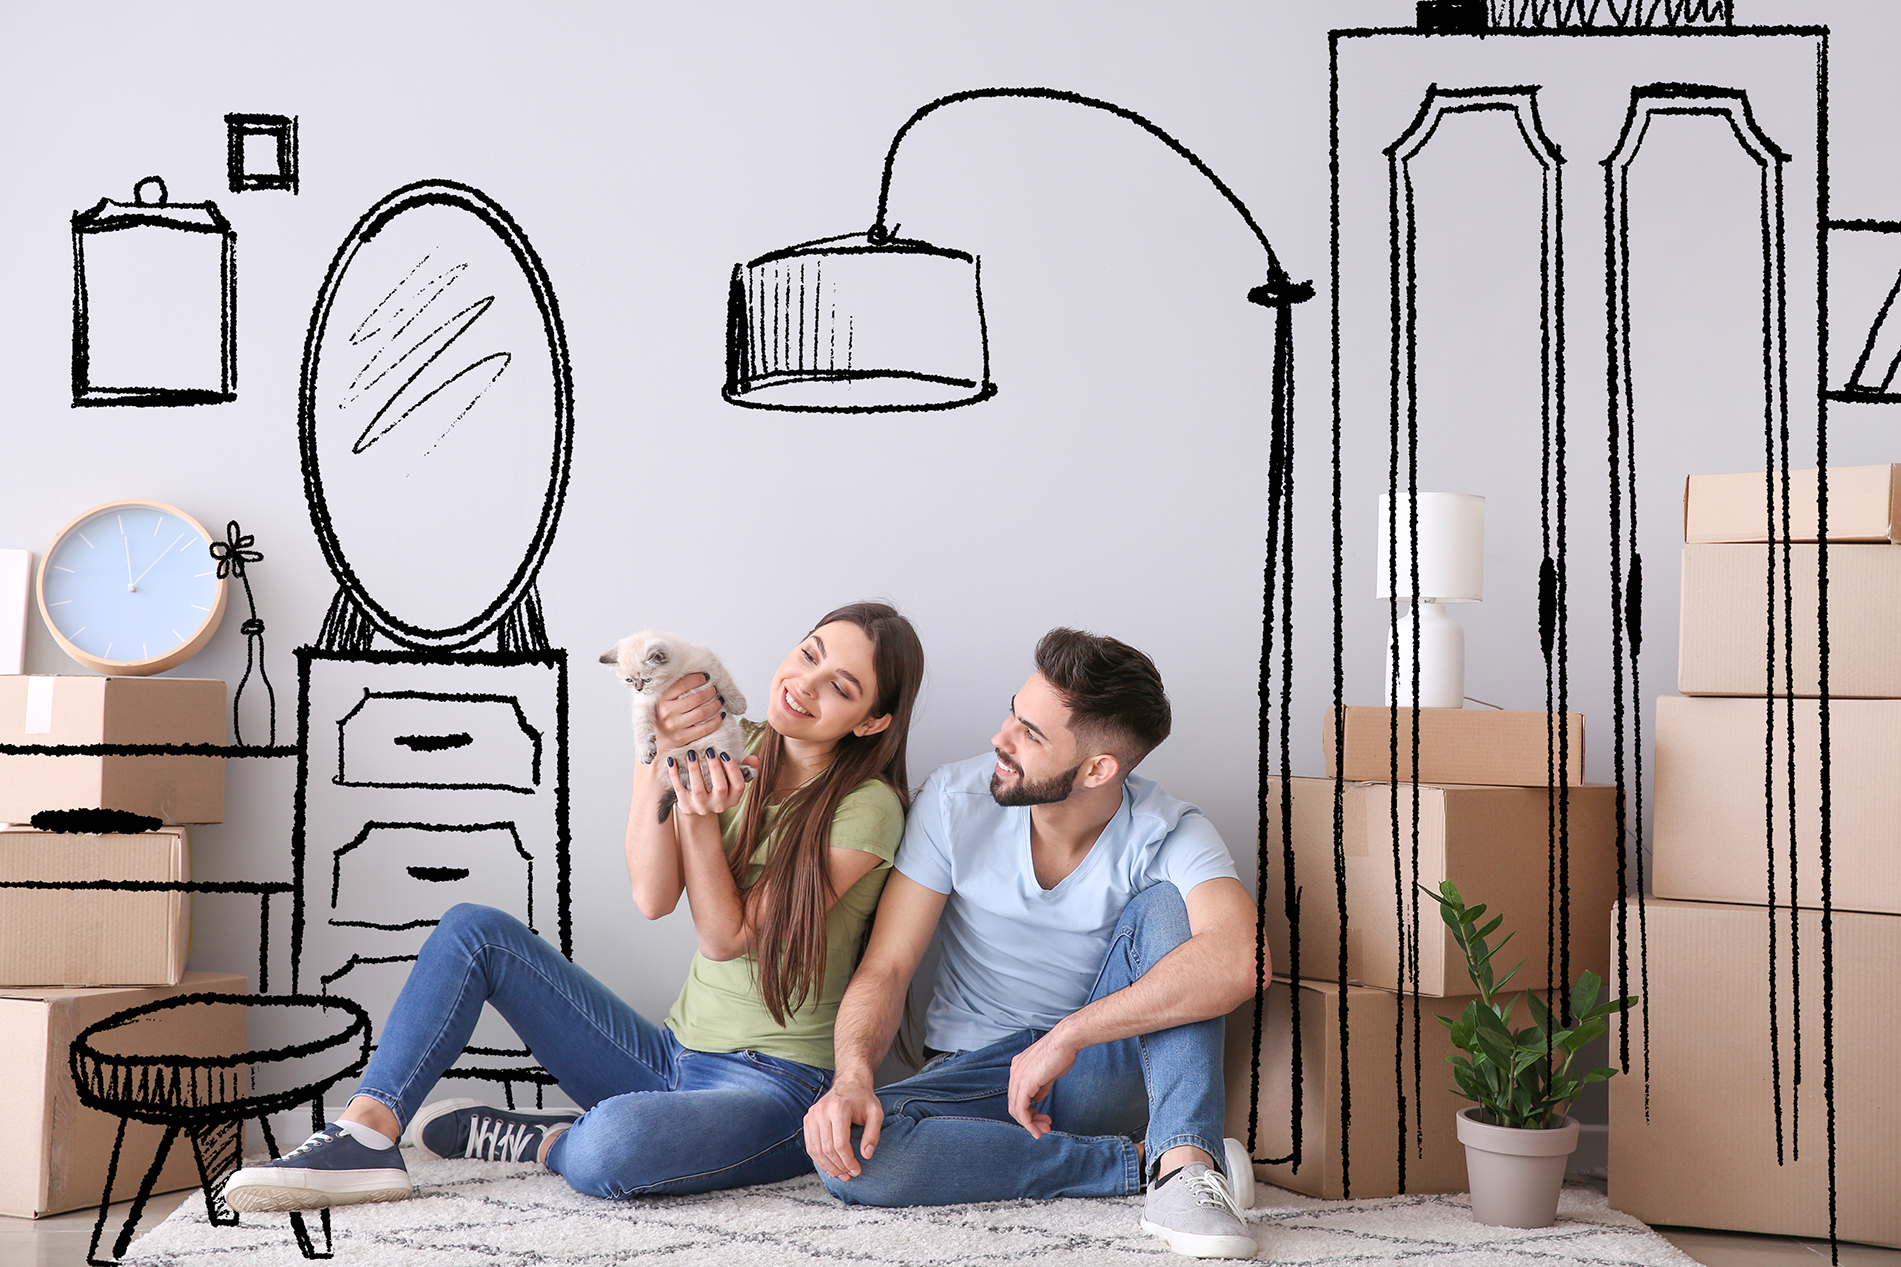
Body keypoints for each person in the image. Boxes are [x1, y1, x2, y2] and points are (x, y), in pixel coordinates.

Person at [223, 602, 925, 1210]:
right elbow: (651, 896)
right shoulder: (738, 749)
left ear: (872, 721)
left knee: (607, 1154)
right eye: (808, 654)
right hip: (670, 1055)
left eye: (840, 685)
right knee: (475, 931)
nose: (804, 683)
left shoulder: (868, 810)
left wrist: (700, 818)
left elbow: (725, 937)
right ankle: (367, 1133)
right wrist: (657, 748)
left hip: (775, 1087)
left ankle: (550, 1138)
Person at [802, 628, 1263, 1259]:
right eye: (1014, 713)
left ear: (1099, 768)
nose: (1001, 737)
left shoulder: (1167, 831)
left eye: (1032, 734)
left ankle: (1184, 1163)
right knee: (853, 1152)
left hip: (1094, 1071)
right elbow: (888, 965)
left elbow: (1241, 961)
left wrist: (1066, 1036)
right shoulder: (953, 801)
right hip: (975, 1071)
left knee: (1168, 907)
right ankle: (1138, 1165)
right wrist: (852, 1076)